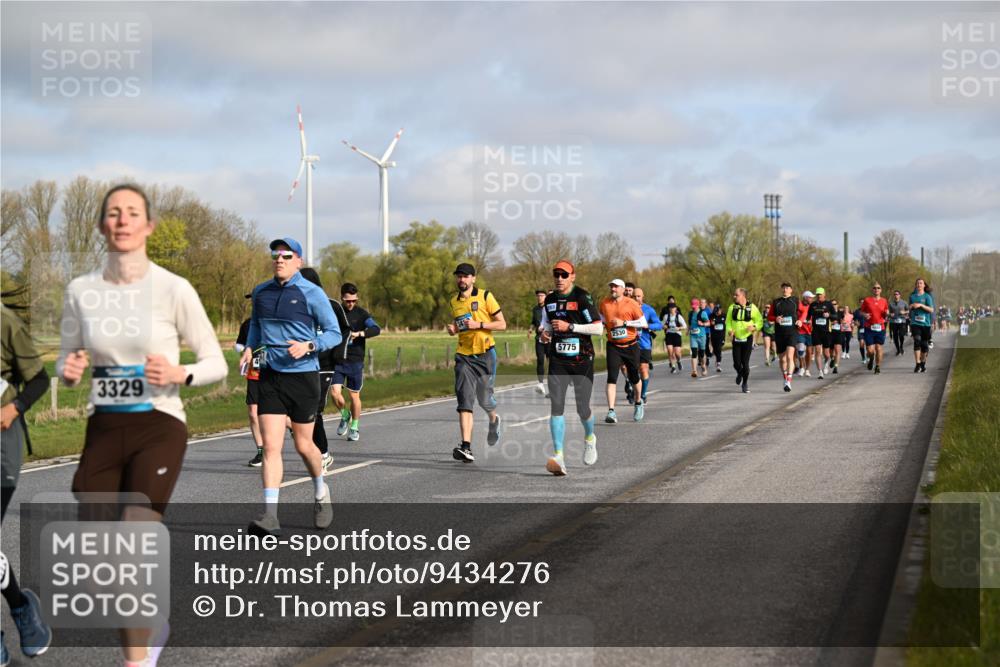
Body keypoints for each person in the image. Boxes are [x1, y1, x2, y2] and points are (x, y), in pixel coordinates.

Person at [57, 184, 228, 665]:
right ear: (101, 226)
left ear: (148, 226)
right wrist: (68, 370)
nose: (123, 220)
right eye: (113, 213)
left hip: (160, 424)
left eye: (133, 212)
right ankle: (152, 621)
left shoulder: (174, 288)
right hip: (104, 428)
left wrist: (181, 373)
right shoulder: (81, 291)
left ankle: (137, 661)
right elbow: (67, 360)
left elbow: (216, 361)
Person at [240, 238, 341, 537]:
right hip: (271, 375)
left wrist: (310, 345)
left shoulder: (312, 293)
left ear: (298, 261)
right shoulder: (261, 292)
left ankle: (321, 493)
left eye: (286, 255)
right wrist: (249, 348)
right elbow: (256, 325)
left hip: (303, 377)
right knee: (270, 447)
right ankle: (270, 516)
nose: (279, 260)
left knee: (302, 445)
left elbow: (334, 333)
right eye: (275, 255)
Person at [1, 296, 53, 663]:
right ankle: (21, 609)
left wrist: (13, 407)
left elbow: (39, 380)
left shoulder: (5, 323)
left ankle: (22, 611)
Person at [538, 260, 602, 475]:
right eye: (556, 274)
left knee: (583, 409)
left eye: (564, 275)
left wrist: (570, 326)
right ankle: (559, 456)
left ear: (572, 276)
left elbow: (598, 328)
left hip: (582, 359)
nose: (559, 278)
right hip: (558, 360)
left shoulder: (582, 297)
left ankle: (590, 438)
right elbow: (547, 325)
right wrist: (545, 334)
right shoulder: (549, 300)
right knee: (556, 407)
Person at [447, 263, 506, 462]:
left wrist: (478, 324)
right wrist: (454, 329)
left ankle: (494, 420)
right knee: (464, 399)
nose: (461, 280)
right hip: (464, 355)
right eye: (459, 276)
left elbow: (502, 323)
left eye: (465, 276)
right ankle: (466, 447)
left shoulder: (485, 296)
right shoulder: (453, 301)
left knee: (485, 400)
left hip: (486, 354)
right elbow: (461, 324)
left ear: (473, 278)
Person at [328, 281, 381, 442]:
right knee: (334, 393)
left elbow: (376, 329)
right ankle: (345, 415)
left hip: (355, 361)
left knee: (354, 396)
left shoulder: (362, 314)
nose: (351, 304)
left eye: (354, 300)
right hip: (337, 360)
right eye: (347, 301)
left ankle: (354, 427)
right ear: (342, 299)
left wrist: (360, 334)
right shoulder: (336, 313)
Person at [297, 268, 338, 470]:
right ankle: (312, 448)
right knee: (300, 413)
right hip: (302, 367)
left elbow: (340, 332)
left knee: (315, 411)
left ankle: (323, 453)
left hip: (325, 365)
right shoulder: (296, 306)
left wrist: (340, 357)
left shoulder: (328, 305)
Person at [599, 279, 647, 423]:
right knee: (611, 377)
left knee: (634, 377)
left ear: (622, 288)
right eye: (611, 287)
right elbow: (601, 319)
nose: (612, 289)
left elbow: (643, 323)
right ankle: (611, 411)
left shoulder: (631, 303)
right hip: (613, 346)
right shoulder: (604, 303)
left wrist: (624, 323)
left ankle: (638, 402)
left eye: (615, 287)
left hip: (630, 345)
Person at [235, 301, 265, 467]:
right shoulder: (247, 324)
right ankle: (261, 452)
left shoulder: (272, 322)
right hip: (253, 373)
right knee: (253, 413)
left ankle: (296, 428)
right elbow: (239, 344)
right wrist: (243, 350)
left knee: (275, 415)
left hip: (272, 374)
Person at [726, 288, 763, 393]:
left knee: (745, 363)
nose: (734, 297)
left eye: (736, 295)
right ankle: (740, 373)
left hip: (747, 339)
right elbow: (728, 322)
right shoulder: (732, 307)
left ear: (742, 296)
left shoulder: (752, 308)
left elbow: (760, 321)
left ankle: (745, 383)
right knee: (736, 364)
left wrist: (754, 327)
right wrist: (729, 331)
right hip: (736, 339)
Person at [768, 282, 799, 392]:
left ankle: (789, 381)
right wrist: (775, 318)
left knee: (790, 356)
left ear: (791, 290)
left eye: (787, 288)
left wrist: (800, 320)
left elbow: (803, 312)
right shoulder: (776, 302)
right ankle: (785, 377)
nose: (785, 290)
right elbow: (769, 316)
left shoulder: (795, 300)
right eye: (783, 288)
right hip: (780, 333)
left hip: (792, 332)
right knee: (782, 359)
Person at [633, 288, 663, 404]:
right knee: (633, 371)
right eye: (634, 296)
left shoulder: (648, 310)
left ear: (643, 297)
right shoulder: (627, 308)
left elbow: (659, 325)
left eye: (638, 296)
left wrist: (647, 325)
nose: (636, 298)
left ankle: (643, 393)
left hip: (644, 344)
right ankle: (634, 390)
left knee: (643, 369)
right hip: (631, 344)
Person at [860, 282, 889, 374]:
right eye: (875, 288)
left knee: (878, 348)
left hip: (880, 327)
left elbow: (885, 312)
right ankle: (871, 358)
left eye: (878, 288)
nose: (876, 289)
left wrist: (887, 314)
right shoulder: (867, 300)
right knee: (870, 350)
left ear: (881, 290)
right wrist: (865, 315)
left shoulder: (884, 301)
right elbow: (861, 312)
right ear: (872, 290)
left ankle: (877, 366)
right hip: (869, 328)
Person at [909, 278, 935, 373]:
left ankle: (923, 363)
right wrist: (911, 306)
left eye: (921, 283)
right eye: (918, 283)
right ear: (916, 285)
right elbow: (910, 307)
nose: (919, 284)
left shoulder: (927, 297)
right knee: (917, 340)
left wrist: (921, 305)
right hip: (915, 323)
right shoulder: (912, 296)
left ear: (924, 285)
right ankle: (917, 364)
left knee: (924, 346)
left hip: (925, 324)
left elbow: (931, 310)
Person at [808, 287, 835, 379]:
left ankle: (827, 362)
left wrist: (829, 315)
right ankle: (820, 372)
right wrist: (807, 321)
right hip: (816, 331)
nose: (819, 296)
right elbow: (808, 317)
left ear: (824, 294)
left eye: (820, 294)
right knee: (818, 351)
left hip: (826, 331)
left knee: (826, 354)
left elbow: (835, 317)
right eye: (817, 294)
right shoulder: (813, 305)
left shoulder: (829, 304)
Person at [530, 289, 548, 396]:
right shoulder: (535, 309)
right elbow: (533, 321)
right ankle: (541, 383)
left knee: (552, 362)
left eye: (541, 295)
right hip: (539, 338)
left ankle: (553, 384)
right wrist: (531, 329)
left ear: (545, 297)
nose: (539, 297)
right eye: (538, 296)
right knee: (540, 360)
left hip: (550, 338)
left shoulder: (550, 307)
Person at [661, 303, 686, 373]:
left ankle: (679, 361)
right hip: (669, 334)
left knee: (677, 353)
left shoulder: (679, 316)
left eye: (673, 308)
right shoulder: (666, 316)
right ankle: (673, 366)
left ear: (676, 309)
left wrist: (679, 328)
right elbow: (662, 325)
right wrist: (664, 326)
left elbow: (685, 326)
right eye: (670, 308)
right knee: (670, 350)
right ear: (669, 309)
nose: (672, 309)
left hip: (677, 334)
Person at [688, 298, 710, 378]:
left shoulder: (702, 313)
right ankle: (694, 371)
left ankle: (703, 366)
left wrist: (702, 324)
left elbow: (708, 323)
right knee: (694, 353)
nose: (693, 308)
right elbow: (690, 324)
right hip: (693, 336)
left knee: (701, 354)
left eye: (694, 306)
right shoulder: (690, 314)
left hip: (701, 336)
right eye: (692, 306)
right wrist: (688, 330)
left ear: (698, 305)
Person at [795, 290, 814, 377]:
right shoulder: (798, 305)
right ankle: (802, 366)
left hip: (810, 331)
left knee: (809, 352)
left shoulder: (812, 307)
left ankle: (807, 370)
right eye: (810, 297)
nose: (811, 299)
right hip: (800, 331)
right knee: (801, 349)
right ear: (805, 298)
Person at [889, 290, 909, 356]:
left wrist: (904, 312)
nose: (896, 295)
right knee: (895, 336)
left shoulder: (904, 302)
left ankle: (901, 347)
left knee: (901, 335)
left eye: (897, 294)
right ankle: (898, 349)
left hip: (902, 321)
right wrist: (890, 314)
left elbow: (909, 310)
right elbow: (888, 312)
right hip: (893, 321)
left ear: (900, 295)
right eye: (895, 294)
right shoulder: (891, 303)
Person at [709, 300, 726, 373]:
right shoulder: (712, 315)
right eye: (716, 310)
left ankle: (718, 364)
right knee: (715, 350)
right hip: (714, 335)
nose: (717, 312)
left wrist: (716, 322)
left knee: (719, 349)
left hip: (721, 336)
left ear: (721, 310)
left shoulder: (724, 315)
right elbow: (711, 323)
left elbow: (723, 321)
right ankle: (717, 359)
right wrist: (714, 322)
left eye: (718, 310)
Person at [828, 298, 844, 374]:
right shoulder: (828, 313)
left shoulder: (840, 313)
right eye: (832, 304)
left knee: (837, 350)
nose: (833, 305)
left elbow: (843, 321)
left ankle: (836, 367)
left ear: (837, 305)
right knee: (831, 351)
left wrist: (841, 322)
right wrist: (831, 323)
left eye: (835, 304)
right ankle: (832, 359)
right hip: (830, 333)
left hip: (838, 333)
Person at [853, 298, 867, 364]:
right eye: (861, 302)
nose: (862, 303)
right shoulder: (857, 311)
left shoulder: (868, 310)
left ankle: (869, 356)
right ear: (859, 303)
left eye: (863, 302)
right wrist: (856, 323)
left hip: (868, 329)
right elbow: (854, 320)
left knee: (868, 344)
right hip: (861, 329)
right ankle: (863, 358)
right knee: (861, 344)